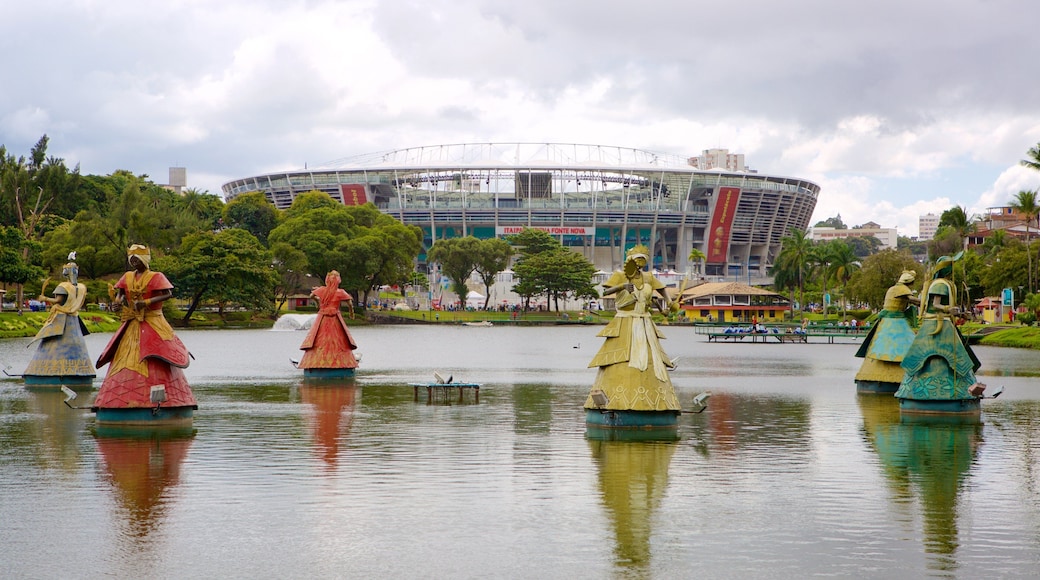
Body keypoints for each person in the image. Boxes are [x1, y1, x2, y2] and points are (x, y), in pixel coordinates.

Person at [93, 245, 196, 411]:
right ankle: (119, 398)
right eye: (132, 260)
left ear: (145, 260)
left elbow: (168, 293)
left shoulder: (156, 276)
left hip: (153, 320)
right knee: (125, 355)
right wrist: (117, 303)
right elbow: (120, 293)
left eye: (137, 259)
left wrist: (146, 302)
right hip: (133, 323)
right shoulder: (127, 277)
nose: (134, 262)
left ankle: (166, 400)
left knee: (158, 352)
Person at [584, 245, 681, 412]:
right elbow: (606, 292)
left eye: (643, 259)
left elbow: (662, 289)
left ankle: (657, 402)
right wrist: (622, 287)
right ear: (631, 260)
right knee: (622, 357)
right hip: (625, 322)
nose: (640, 262)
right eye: (638, 259)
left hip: (645, 322)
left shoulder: (648, 277)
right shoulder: (620, 275)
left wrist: (669, 302)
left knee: (652, 361)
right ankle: (615, 402)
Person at [896, 253, 981, 402]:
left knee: (960, 356)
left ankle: (965, 390)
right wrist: (949, 309)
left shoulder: (948, 284)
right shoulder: (940, 284)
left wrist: (961, 313)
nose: (952, 270)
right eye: (950, 267)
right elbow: (935, 305)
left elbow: (950, 307)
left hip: (946, 323)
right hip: (936, 323)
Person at [22, 253, 96, 385]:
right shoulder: (81, 288)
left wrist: (45, 299)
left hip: (62, 320)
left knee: (54, 345)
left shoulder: (65, 287)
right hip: (74, 322)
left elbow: (58, 300)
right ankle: (81, 371)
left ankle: (48, 372)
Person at [853, 270, 919, 390]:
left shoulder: (892, 288)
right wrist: (926, 302)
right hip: (895, 321)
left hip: (886, 322)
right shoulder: (901, 289)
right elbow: (912, 299)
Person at [297, 270, 359, 371]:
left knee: (319, 338)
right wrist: (351, 312)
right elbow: (350, 304)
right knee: (338, 339)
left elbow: (311, 296)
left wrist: (318, 302)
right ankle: (341, 363)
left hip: (323, 318)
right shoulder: (340, 292)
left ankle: (314, 362)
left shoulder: (321, 290)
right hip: (335, 318)